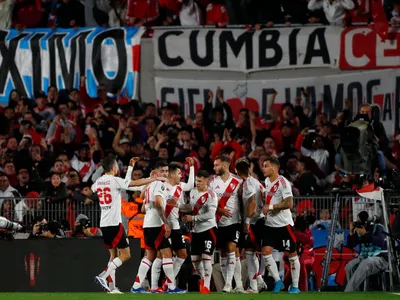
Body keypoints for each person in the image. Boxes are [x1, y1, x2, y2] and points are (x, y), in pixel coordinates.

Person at [93, 157, 166, 294]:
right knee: (126, 255)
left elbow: (125, 184)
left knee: (113, 256)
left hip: (104, 222)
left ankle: (112, 287)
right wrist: (153, 179)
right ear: (113, 167)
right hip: (115, 223)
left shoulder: (99, 182)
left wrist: (131, 168)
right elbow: (132, 184)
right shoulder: (114, 180)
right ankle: (103, 276)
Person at [131, 160, 186, 294]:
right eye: (162, 171)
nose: (165, 173)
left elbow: (143, 202)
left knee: (150, 255)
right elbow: (157, 202)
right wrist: (165, 222)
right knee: (166, 254)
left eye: (167, 171)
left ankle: (136, 285)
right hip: (156, 224)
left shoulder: (150, 184)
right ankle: (172, 287)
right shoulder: (160, 184)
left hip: (147, 224)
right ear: (155, 172)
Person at [150, 158, 195, 292]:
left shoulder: (180, 186)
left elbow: (191, 185)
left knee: (182, 254)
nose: (181, 176)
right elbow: (156, 204)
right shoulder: (162, 186)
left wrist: (192, 167)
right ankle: (154, 286)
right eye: (179, 173)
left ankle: (167, 283)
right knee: (160, 256)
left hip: (175, 225)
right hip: (164, 226)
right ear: (172, 174)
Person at [261, 156, 300, 294]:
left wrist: (270, 207)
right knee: (265, 252)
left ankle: (295, 286)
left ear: (274, 167)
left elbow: (289, 203)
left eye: (266, 166)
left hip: (284, 225)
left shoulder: (283, 182)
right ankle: (278, 281)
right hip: (270, 225)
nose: (263, 168)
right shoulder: (266, 181)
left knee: (291, 254)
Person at [209, 155, 243, 293]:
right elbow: (209, 202)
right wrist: (219, 210)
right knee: (223, 253)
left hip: (234, 221)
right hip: (218, 222)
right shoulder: (212, 182)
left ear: (224, 165)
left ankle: (230, 284)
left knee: (232, 250)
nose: (214, 168)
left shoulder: (238, 181)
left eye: (216, 165)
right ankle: (227, 283)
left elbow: (243, 201)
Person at [181, 170, 218, 294]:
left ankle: (206, 286)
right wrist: (178, 206)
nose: (197, 183)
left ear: (207, 181)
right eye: (197, 180)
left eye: (200, 181)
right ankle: (203, 279)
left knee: (206, 257)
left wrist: (193, 218)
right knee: (195, 260)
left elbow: (211, 214)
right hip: (196, 231)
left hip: (209, 229)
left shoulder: (211, 195)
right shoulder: (193, 192)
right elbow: (191, 207)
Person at [235, 158, 267, 293]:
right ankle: (260, 282)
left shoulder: (247, 183)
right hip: (261, 220)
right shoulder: (256, 181)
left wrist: (247, 221)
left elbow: (252, 201)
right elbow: (264, 196)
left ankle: (254, 287)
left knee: (249, 254)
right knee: (252, 254)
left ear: (236, 171)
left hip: (254, 222)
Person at [344, 211, 388, 292]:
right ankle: (356, 292)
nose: (360, 224)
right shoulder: (359, 230)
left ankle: (348, 292)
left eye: (362, 221)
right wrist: (351, 233)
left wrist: (365, 234)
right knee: (349, 266)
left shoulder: (378, 227)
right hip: (364, 257)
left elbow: (380, 242)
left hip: (380, 258)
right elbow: (350, 246)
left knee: (365, 263)